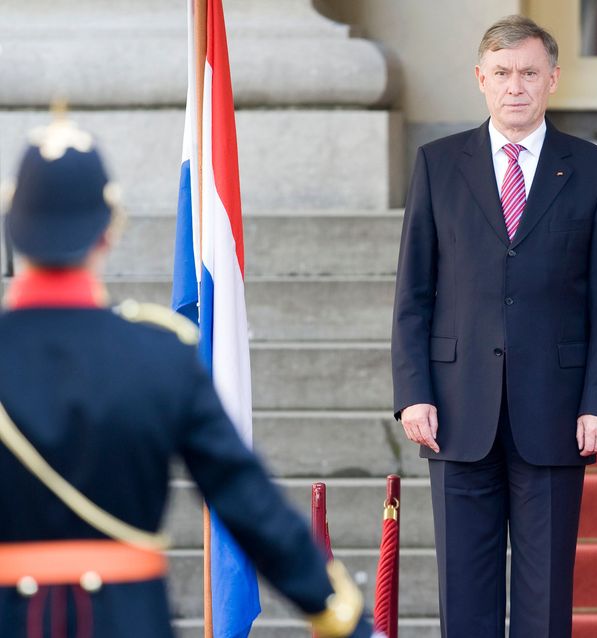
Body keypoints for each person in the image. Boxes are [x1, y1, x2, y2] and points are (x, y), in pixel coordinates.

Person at [0, 115, 374, 637]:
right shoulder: (158, 353)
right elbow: (246, 501)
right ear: (109, 231)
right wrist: (345, 618)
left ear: (13, 228)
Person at [390, 15, 597, 638]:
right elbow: (413, 293)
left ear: (553, 79)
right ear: (480, 79)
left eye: (528, 72)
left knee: (544, 595)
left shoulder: (594, 171)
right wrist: (413, 391)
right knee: (463, 594)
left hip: (554, 410)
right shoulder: (438, 165)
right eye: (501, 73)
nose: (514, 86)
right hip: (454, 407)